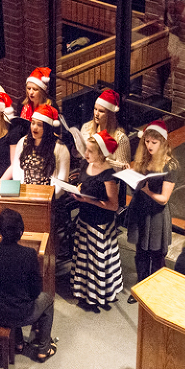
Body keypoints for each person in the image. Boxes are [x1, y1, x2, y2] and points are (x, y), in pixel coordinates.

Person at [0, 209, 56, 362]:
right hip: (20, 314)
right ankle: (43, 348)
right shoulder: (28, 254)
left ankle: (18, 343)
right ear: (21, 231)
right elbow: (35, 292)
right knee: (47, 299)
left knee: (8, 298)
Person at [125, 120, 178, 303]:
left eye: (153, 143)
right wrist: (131, 177)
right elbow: (136, 189)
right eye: (147, 141)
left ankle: (155, 292)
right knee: (140, 253)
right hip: (140, 211)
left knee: (156, 255)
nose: (149, 146)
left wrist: (148, 191)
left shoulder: (170, 166)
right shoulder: (144, 160)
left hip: (156, 215)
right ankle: (140, 289)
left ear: (163, 143)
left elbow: (164, 199)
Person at [69, 130, 122, 312]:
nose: (86, 154)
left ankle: (98, 295)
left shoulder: (108, 175)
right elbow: (85, 184)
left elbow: (113, 205)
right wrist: (77, 189)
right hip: (85, 220)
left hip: (100, 225)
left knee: (96, 261)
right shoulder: (86, 164)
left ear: (100, 153)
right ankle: (84, 292)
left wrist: (87, 200)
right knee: (84, 259)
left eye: (90, 151)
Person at [10, 104, 70, 193]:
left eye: (39, 125)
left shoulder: (60, 147)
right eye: (33, 123)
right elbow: (16, 170)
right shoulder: (23, 142)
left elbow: (62, 179)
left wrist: (49, 198)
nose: (34, 127)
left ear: (47, 128)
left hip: (48, 197)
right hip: (25, 193)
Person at [80, 89, 131, 170]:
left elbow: (123, 169)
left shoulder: (121, 139)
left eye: (101, 111)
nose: (96, 114)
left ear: (110, 115)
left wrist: (102, 160)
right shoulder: (86, 128)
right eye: (95, 109)